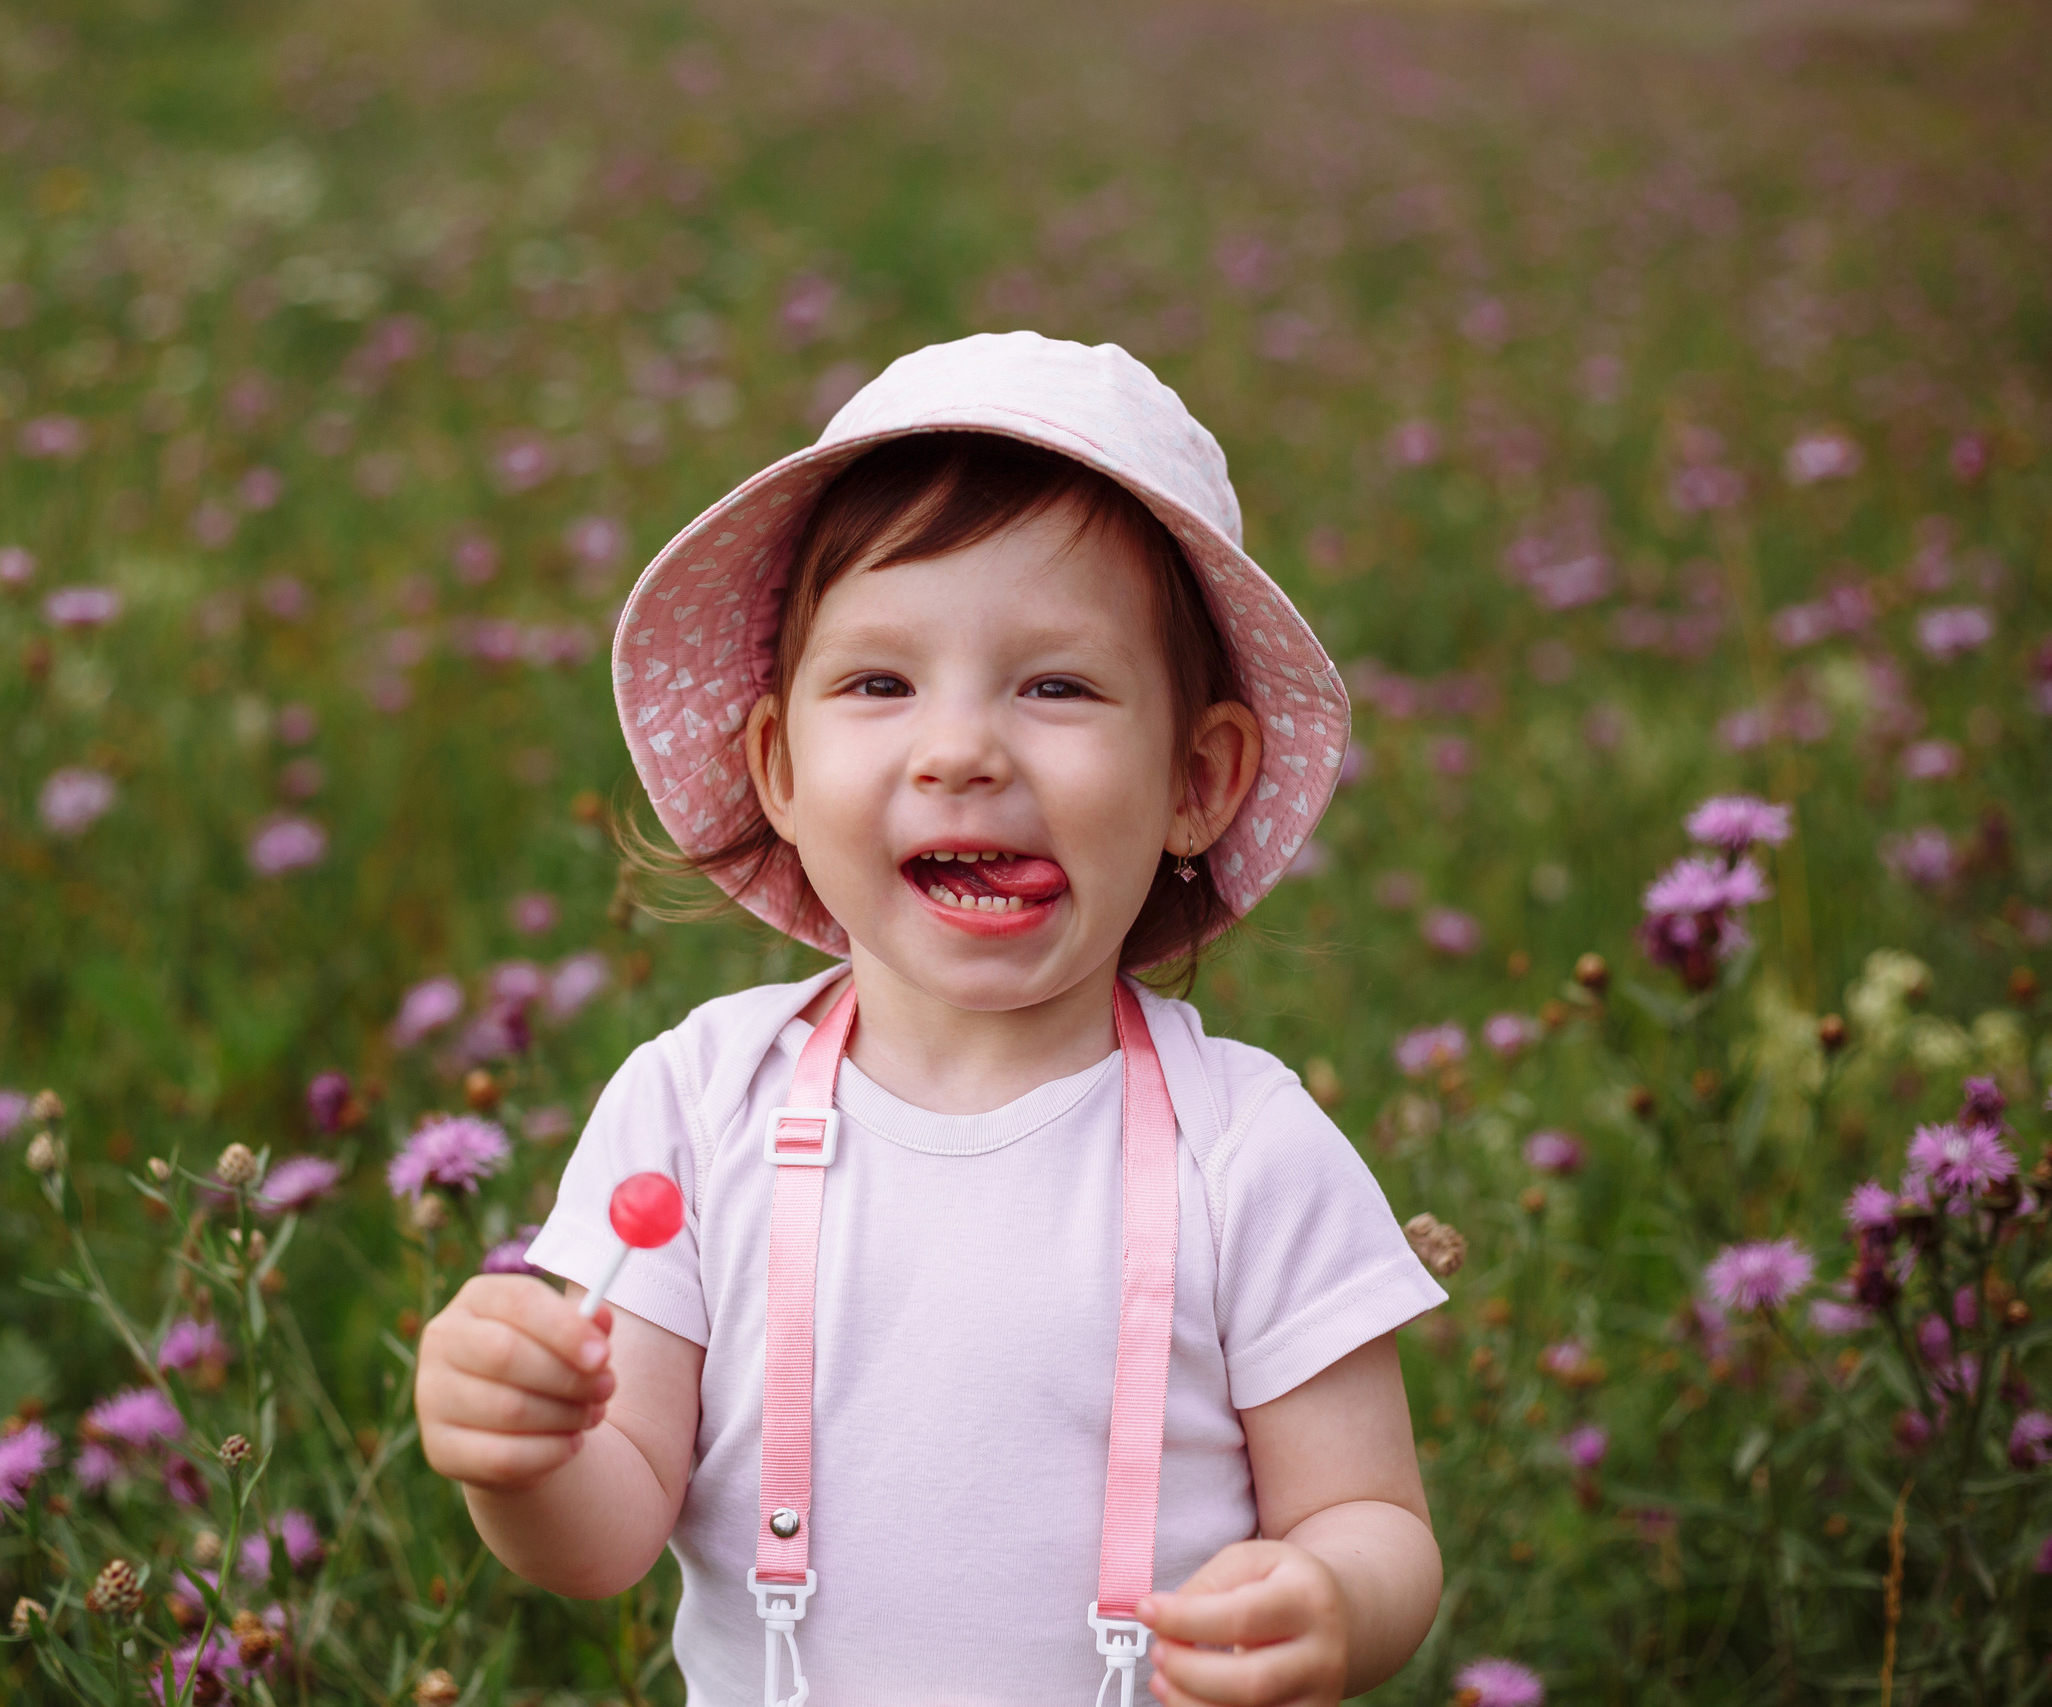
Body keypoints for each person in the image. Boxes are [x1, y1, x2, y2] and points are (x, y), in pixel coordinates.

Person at [414, 332, 1448, 1704]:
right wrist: (521, 1455)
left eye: (1057, 685)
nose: (960, 750)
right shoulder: (695, 1106)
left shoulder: (1247, 1146)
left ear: (1198, 778)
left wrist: (1333, 1599)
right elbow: (606, 1533)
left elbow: (1372, 1520)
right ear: (778, 766)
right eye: (881, 684)